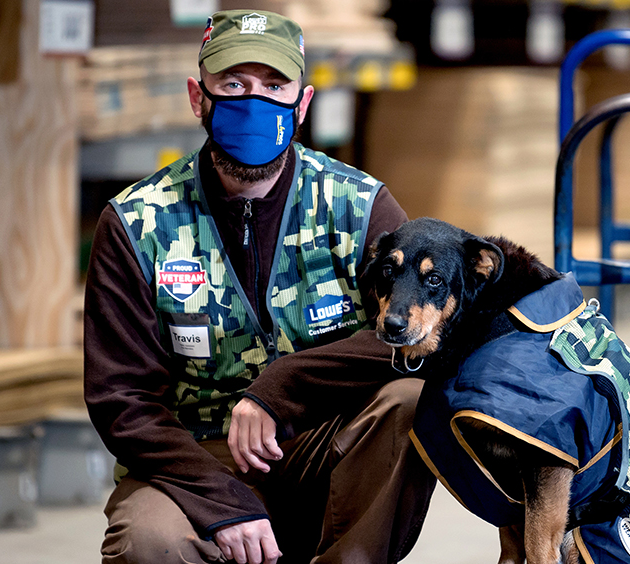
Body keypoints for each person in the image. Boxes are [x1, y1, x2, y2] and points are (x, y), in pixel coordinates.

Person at [84, 9, 435, 564]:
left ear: (302, 105)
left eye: (274, 86)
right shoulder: (137, 223)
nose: (254, 101)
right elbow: (120, 400)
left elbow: (422, 336)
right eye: (234, 85)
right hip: (198, 457)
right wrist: (225, 504)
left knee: (409, 399)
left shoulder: (359, 207)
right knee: (149, 543)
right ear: (198, 99)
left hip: (327, 444)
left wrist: (280, 386)